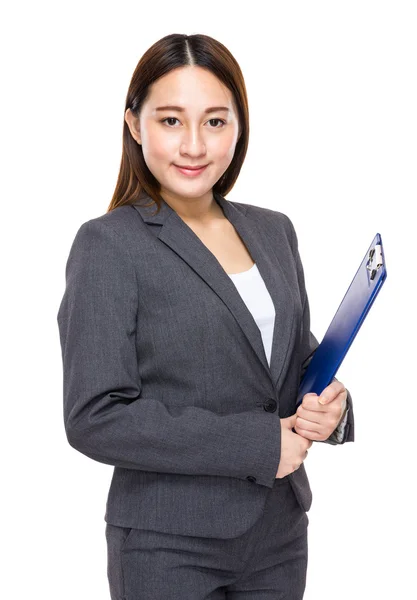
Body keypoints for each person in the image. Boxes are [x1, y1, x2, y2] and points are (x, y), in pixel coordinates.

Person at [56, 32, 354, 600]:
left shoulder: (274, 231)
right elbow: (95, 415)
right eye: (171, 121)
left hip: (280, 533)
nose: (194, 145)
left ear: (239, 127)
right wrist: (261, 445)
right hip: (169, 544)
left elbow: (288, 363)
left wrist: (331, 408)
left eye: (215, 122)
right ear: (134, 124)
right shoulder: (108, 245)